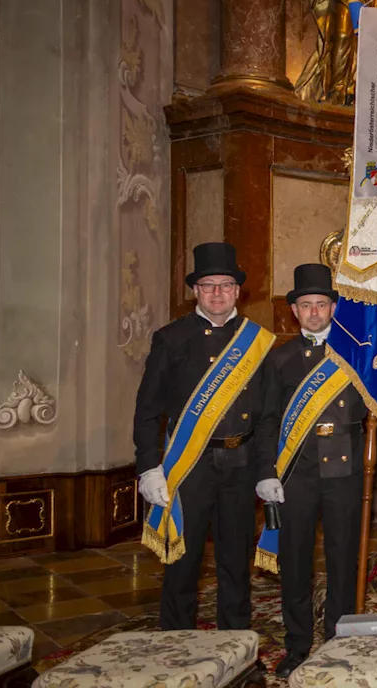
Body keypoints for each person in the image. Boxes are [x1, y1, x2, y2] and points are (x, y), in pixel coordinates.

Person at [134, 242, 274, 632]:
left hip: (241, 466)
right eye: (208, 285)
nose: (217, 293)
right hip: (189, 467)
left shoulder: (256, 342)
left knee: (235, 563)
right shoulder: (171, 339)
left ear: (237, 291)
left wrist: (266, 470)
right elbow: (147, 411)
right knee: (182, 562)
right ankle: (177, 646)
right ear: (195, 290)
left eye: (225, 285)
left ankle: (237, 647)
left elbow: (266, 416)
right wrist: (149, 468)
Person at [254, 264, 367, 678]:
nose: (315, 312)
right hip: (295, 474)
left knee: (343, 560)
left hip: (346, 469)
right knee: (296, 561)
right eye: (306, 305)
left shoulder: (356, 353)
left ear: (333, 308)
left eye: (322, 304)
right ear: (295, 312)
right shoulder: (279, 358)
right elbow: (266, 420)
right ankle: (298, 644)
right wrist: (266, 471)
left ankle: (340, 638)